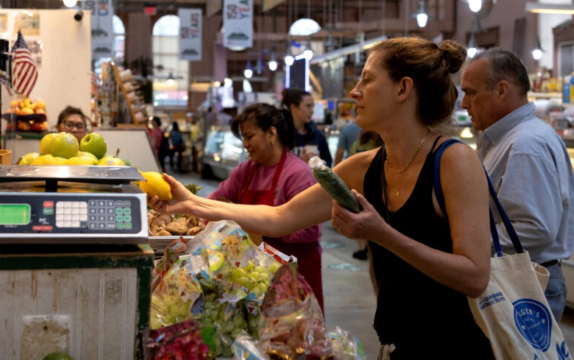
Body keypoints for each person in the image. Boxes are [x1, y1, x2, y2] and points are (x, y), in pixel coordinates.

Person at [150, 37, 495, 359]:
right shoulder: (363, 167)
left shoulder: (453, 161)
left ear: (403, 89)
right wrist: (193, 204)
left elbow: (475, 276)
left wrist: (380, 234)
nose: (355, 92)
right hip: (396, 344)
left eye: (367, 80)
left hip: (458, 346)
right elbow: (280, 217)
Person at [461, 48, 574, 322]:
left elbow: (534, 229)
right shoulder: (510, 139)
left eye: (470, 92)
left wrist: (464, 243)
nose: (464, 103)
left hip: (523, 286)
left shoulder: (525, 145)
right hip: (516, 281)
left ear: (501, 91)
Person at [207, 103, 324, 311]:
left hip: (295, 276)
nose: (244, 144)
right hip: (256, 275)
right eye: (242, 137)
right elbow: (216, 199)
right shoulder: (247, 170)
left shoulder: (298, 174)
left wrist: (260, 229)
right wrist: (192, 209)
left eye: (249, 136)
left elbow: (310, 229)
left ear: (271, 134)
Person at [349, 129, 384, 261]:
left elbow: (351, 160)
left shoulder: (359, 143)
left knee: (359, 217)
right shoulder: (381, 144)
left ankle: (362, 248)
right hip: (378, 188)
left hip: (360, 187)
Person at [282, 89, 332, 167]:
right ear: (293, 107)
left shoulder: (318, 136)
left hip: (313, 179)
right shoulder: (282, 136)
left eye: (313, 106)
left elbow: (328, 164)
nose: (312, 111)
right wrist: (300, 164)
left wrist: (319, 165)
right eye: (308, 106)